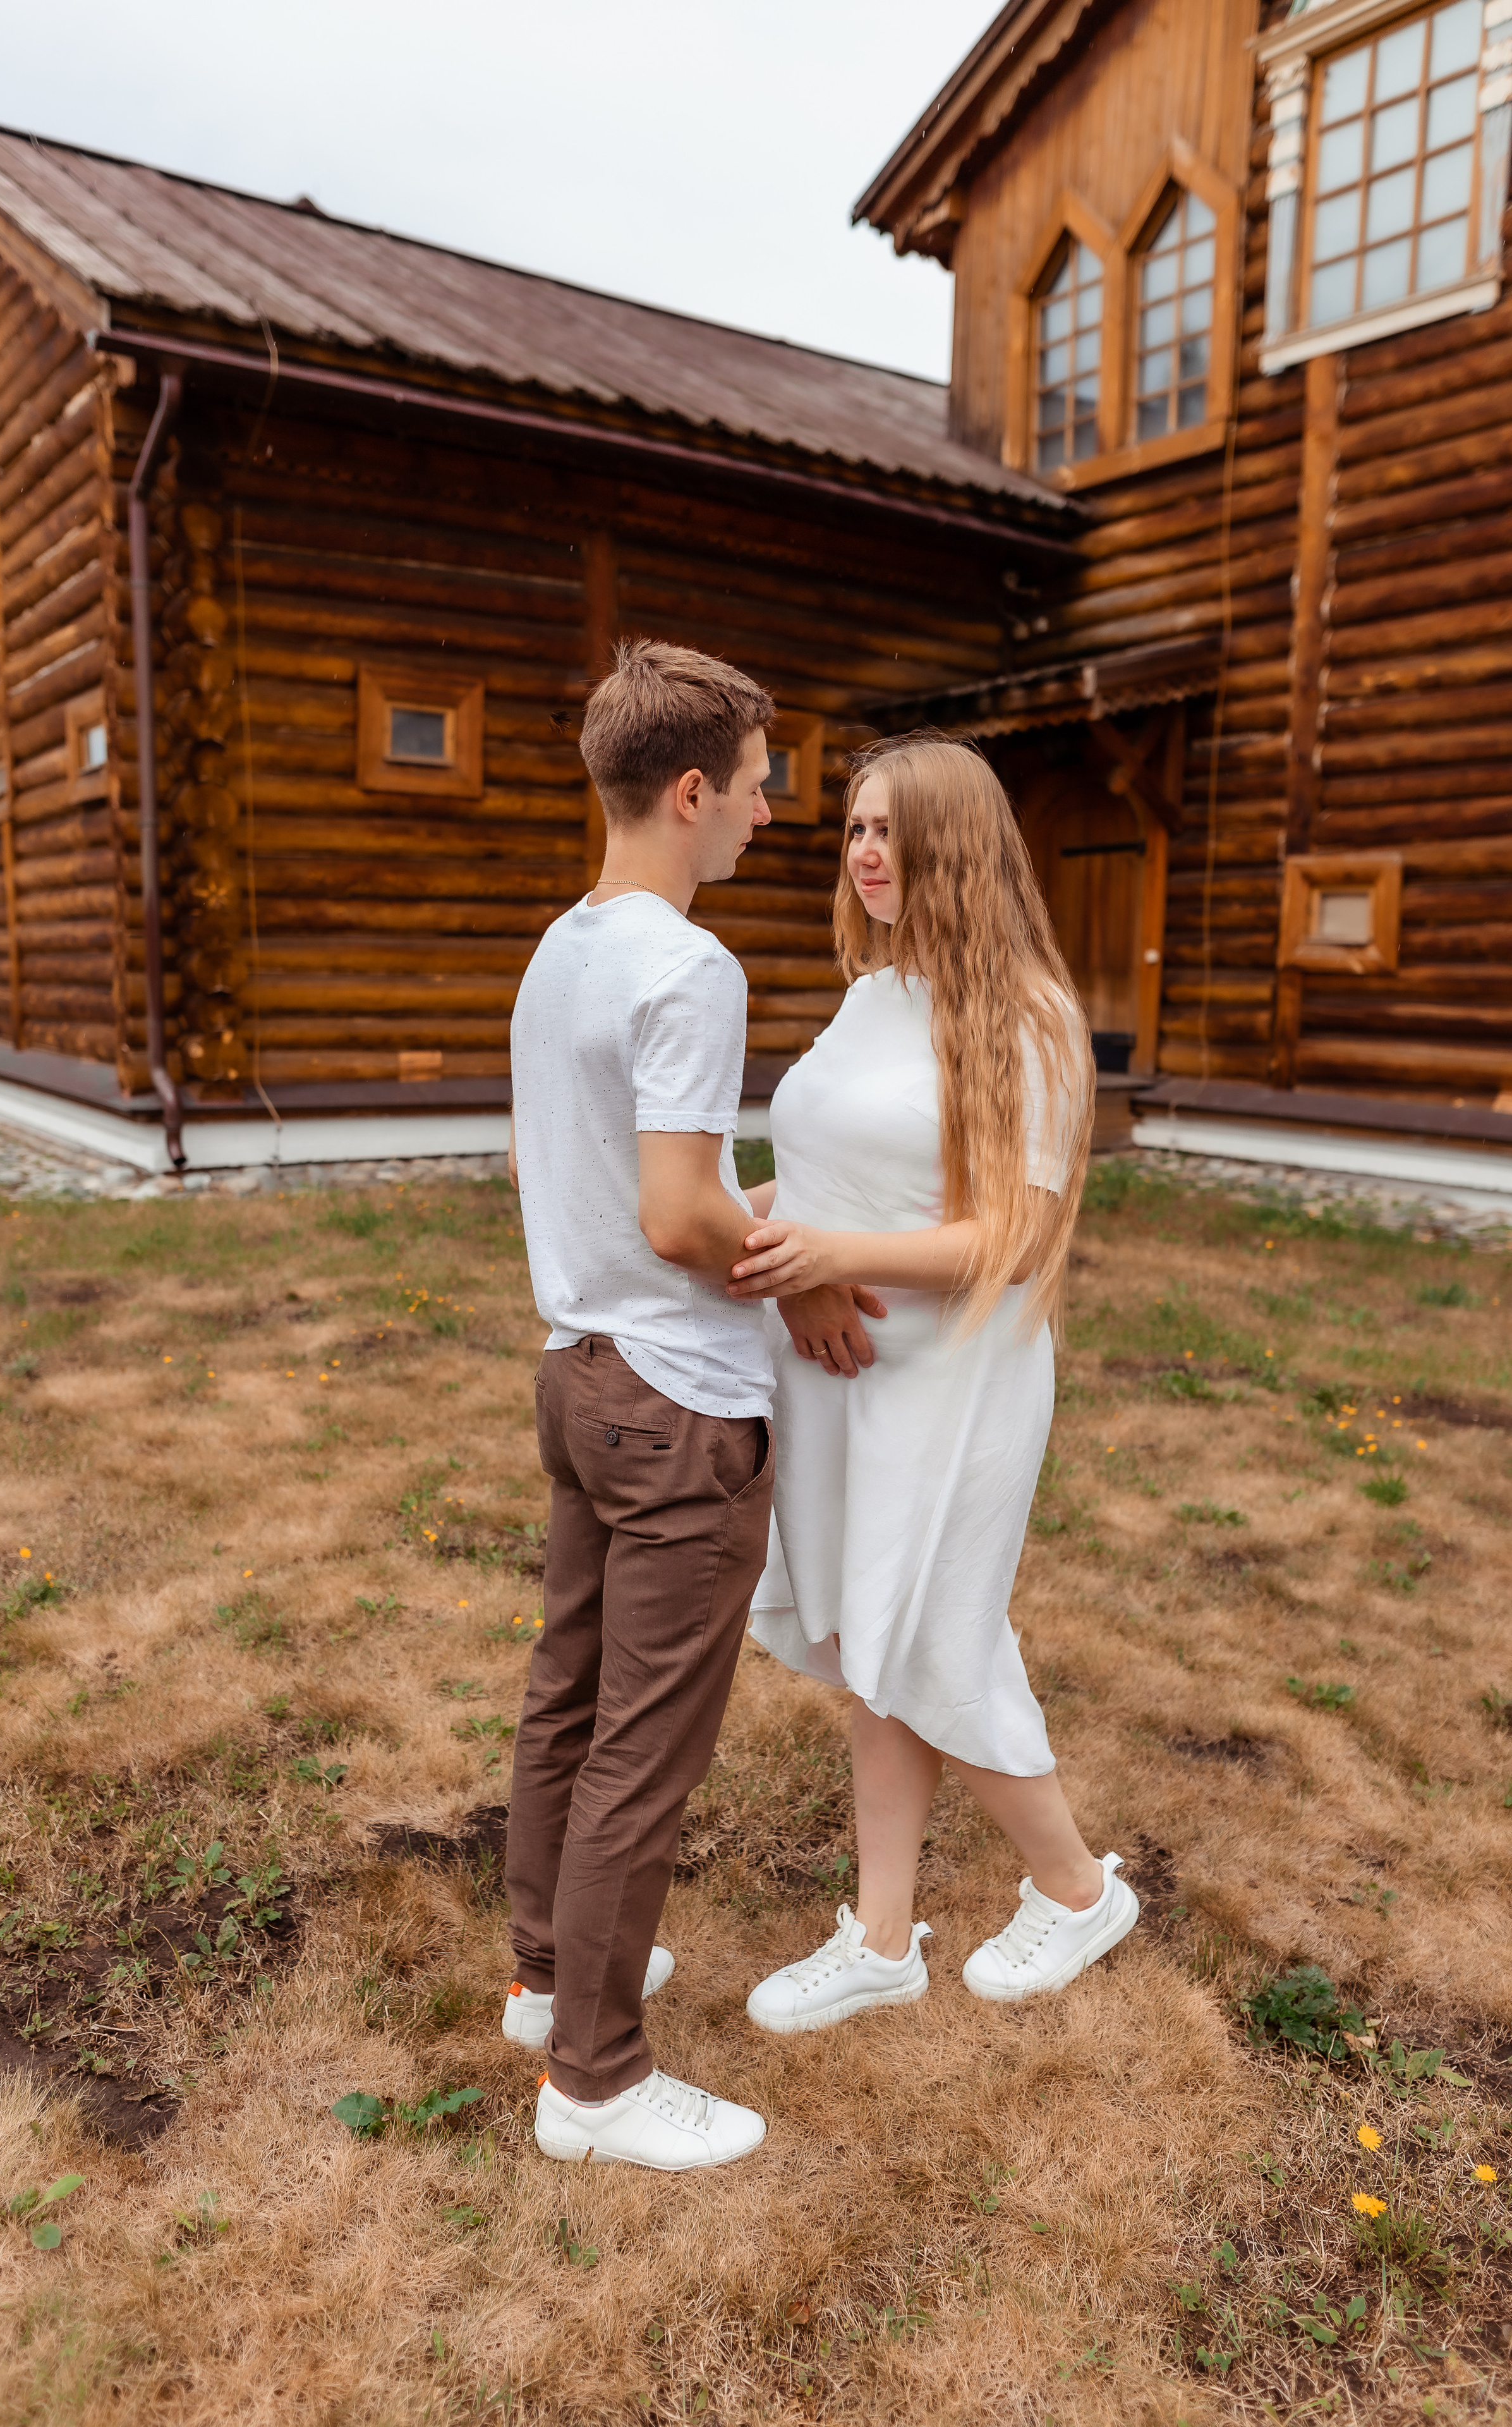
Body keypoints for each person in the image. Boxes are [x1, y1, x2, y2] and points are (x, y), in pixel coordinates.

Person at [504, 638, 879, 2168]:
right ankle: (593, 2084)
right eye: (758, 793)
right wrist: (793, 1271)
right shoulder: (686, 963)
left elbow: (584, 1170)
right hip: (671, 1407)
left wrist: (734, 1202)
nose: (772, 819)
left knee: (568, 1699)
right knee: (639, 1750)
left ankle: (546, 1980)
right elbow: (674, 1214)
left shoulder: (563, 946)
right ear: (687, 790)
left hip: (578, 1375)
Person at [729, 733, 1140, 2033]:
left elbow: (1011, 1243)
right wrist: (710, 1224)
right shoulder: (869, 997)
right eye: (851, 828)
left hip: (954, 1380)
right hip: (833, 1375)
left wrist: (826, 1255)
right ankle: (884, 1937)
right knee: (868, 1645)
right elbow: (815, 1180)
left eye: (889, 830)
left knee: (938, 1640)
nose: (861, 852)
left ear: (956, 845)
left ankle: (1076, 1895)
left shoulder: (1028, 1022)